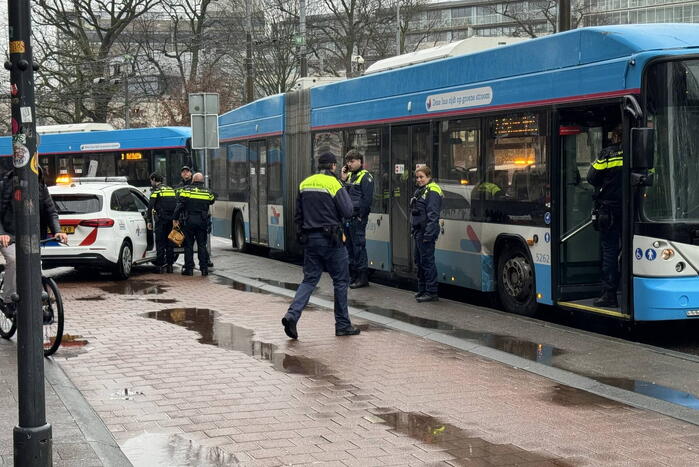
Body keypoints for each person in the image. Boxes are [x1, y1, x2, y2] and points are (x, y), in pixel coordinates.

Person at [282, 152, 360, 339]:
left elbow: (298, 215)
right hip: (332, 240)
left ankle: (292, 315)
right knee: (341, 281)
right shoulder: (333, 183)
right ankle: (343, 325)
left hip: (311, 239)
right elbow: (348, 211)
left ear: (319, 165)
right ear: (333, 166)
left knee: (309, 280)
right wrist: (343, 185)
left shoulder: (305, 183)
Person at [0, 166, 68, 316]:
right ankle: (8, 300)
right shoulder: (5, 186)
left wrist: (57, 230)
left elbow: (51, 211)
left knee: (35, 264)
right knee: (14, 260)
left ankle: (38, 302)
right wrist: (2, 234)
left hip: (30, 235)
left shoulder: (40, 188)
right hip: (8, 236)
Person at [588, 124, 623, 308]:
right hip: (632, 211)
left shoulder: (607, 154)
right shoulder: (637, 152)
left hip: (609, 211)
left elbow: (591, 177)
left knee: (609, 251)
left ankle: (609, 294)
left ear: (615, 136)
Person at [340, 149, 374, 288]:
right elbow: (341, 194)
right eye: (348, 162)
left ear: (360, 161)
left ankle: (362, 278)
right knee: (349, 248)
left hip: (357, 218)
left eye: (352, 161)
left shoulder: (366, 177)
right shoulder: (348, 176)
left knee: (358, 247)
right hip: (348, 218)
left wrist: (361, 216)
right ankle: (353, 276)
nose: (350, 164)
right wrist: (343, 179)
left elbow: (367, 200)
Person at [410, 166, 443, 303]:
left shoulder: (433, 190)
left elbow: (433, 215)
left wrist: (428, 235)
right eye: (417, 177)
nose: (419, 180)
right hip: (419, 231)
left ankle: (431, 292)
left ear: (429, 177)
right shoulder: (421, 190)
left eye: (421, 177)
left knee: (427, 262)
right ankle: (422, 289)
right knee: (419, 261)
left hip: (426, 233)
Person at [173, 172, 215, 276]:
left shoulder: (187, 190)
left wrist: (175, 218)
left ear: (193, 180)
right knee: (202, 245)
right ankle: (204, 269)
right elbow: (212, 200)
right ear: (202, 181)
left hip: (189, 222)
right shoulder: (207, 192)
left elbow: (180, 205)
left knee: (188, 246)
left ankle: (189, 269)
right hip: (202, 222)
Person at [147, 172, 178, 273]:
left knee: (160, 243)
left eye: (151, 181)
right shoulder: (171, 190)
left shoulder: (156, 191)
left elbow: (150, 206)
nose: (151, 183)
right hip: (171, 220)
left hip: (160, 220)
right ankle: (170, 266)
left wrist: (149, 220)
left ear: (154, 180)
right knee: (170, 244)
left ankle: (159, 267)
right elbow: (176, 205)